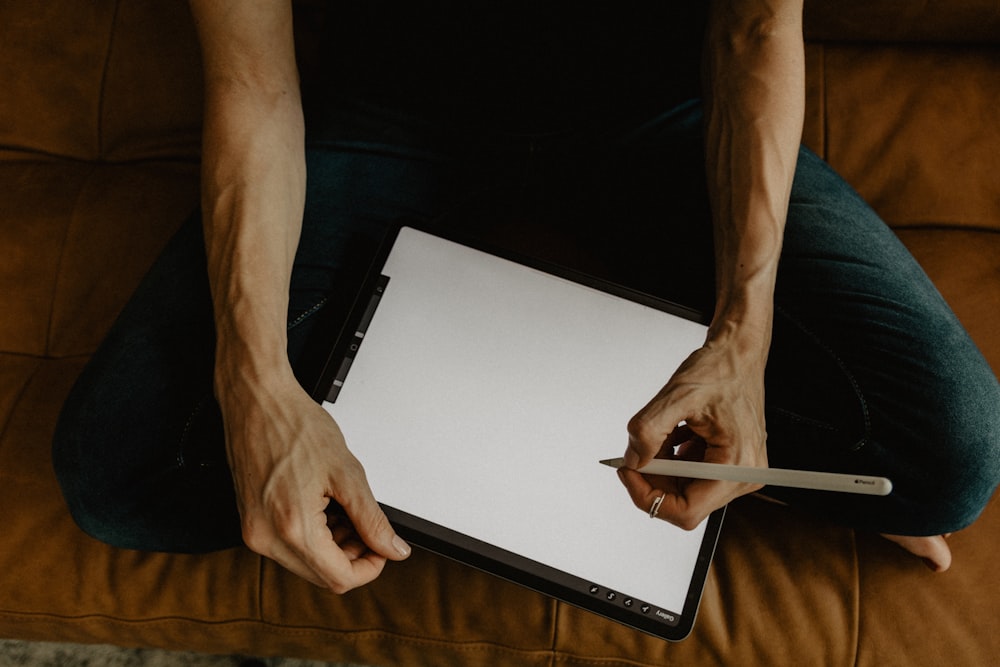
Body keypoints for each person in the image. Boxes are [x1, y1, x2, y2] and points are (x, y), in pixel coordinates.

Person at [53, 0, 1000, 596]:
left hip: (657, 121)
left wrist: (743, 339)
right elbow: (254, 81)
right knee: (117, 469)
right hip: (388, 117)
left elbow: (755, 29)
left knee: (951, 454)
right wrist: (255, 384)